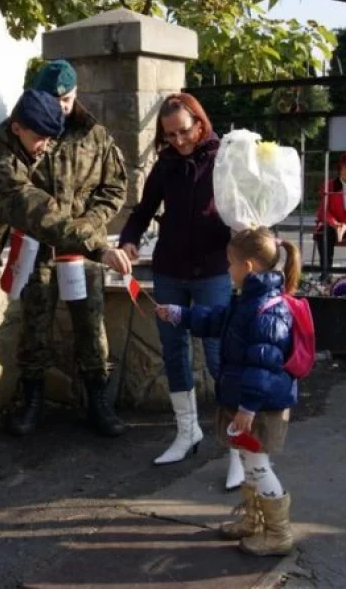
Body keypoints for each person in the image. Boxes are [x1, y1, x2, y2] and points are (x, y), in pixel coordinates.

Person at [0, 89, 133, 481]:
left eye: (52, 139)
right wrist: (99, 246)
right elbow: (39, 212)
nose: (45, 148)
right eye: (40, 139)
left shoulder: (17, 147)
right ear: (16, 127)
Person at [118, 93, 241, 489]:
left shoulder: (225, 158)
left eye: (183, 132)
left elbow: (243, 209)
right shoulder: (167, 163)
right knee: (174, 350)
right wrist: (129, 240)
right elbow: (142, 210)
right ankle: (188, 432)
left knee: (219, 354)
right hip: (170, 269)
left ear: (200, 124)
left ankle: (237, 446)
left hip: (213, 270)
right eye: (169, 135)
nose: (178, 141)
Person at [155, 226, 301, 557]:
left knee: (259, 465)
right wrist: (180, 314)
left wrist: (247, 408)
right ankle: (253, 520)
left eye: (230, 263)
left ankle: (278, 533)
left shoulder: (268, 309)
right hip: (251, 403)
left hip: (261, 407)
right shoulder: (247, 301)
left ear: (248, 267)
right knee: (251, 463)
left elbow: (262, 364)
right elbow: (217, 320)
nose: (226, 270)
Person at [8, 59, 128, 438]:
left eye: (67, 98)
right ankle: (32, 402)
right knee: (34, 324)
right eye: (53, 98)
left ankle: (97, 402)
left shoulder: (96, 136)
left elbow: (114, 189)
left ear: (77, 95)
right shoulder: (28, 129)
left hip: (84, 247)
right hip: (37, 246)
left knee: (90, 325)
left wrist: (88, 226)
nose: (60, 105)